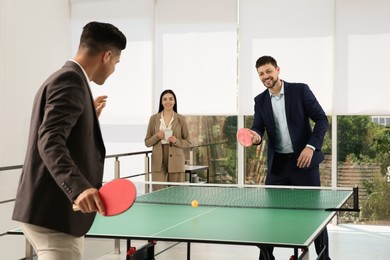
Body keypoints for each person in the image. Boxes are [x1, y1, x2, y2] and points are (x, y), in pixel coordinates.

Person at [12, 21, 127, 260]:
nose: (114, 69)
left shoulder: (67, 78)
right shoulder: (71, 81)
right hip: (54, 213)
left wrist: (88, 116)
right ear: (106, 56)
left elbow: (56, 130)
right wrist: (79, 188)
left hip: (49, 211)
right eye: (116, 62)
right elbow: (50, 140)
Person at [247, 56, 330, 260]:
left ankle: (325, 257)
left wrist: (311, 147)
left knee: (314, 213)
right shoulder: (260, 100)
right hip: (278, 165)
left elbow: (321, 119)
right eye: (261, 73)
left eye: (268, 71)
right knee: (271, 213)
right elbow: (258, 128)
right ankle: (266, 257)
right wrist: (255, 137)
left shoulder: (300, 90)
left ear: (277, 70)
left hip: (304, 162)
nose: (265, 76)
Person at [145, 89, 191, 190]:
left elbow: (188, 142)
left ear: (174, 101)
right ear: (161, 102)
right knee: (157, 192)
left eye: (171, 99)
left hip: (176, 158)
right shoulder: (154, 119)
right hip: (158, 159)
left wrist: (176, 141)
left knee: (176, 193)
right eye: (165, 99)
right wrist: (157, 136)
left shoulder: (181, 119)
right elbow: (147, 142)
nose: (168, 102)